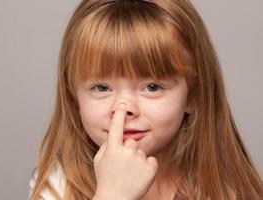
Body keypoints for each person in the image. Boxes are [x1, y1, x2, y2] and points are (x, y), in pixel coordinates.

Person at [28, 0, 263, 199]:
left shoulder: (228, 190)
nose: (124, 109)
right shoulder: (57, 187)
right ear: (73, 95)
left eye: (152, 87)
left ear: (194, 94)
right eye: (101, 87)